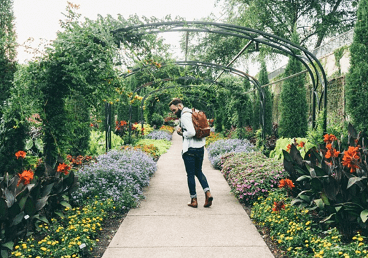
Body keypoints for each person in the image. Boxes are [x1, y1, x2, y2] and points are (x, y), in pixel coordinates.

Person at [168, 98, 213, 208]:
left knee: (190, 174)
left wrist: (181, 133)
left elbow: (191, 132)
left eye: (174, 110)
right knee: (199, 171)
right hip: (200, 148)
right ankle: (208, 193)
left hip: (190, 150)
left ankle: (194, 200)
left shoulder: (184, 116)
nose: (174, 113)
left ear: (179, 106)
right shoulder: (193, 111)